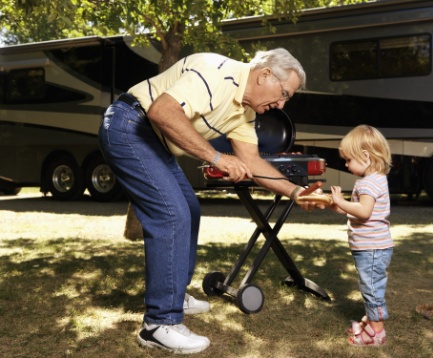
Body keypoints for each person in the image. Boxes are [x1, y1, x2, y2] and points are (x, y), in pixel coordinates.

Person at [98, 48, 318, 354]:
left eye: (287, 99)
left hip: (155, 139)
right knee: (172, 215)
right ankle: (159, 324)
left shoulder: (246, 111)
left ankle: (174, 294)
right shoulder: (217, 72)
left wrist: (296, 192)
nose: (282, 104)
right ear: (265, 74)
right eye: (283, 94)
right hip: (129, 125)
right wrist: (217, 157)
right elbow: (162, 111)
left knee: (189, 209)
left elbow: (252, 162)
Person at [328, 125, 393, 346]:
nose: (346, 164)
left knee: (372, 289)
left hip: (372, 248)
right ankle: (369, 320)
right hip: (369, 247)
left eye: (348, 160)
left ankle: (377, 333)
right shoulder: (372, 180)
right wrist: (339, 206)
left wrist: (341, 201)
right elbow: (359, 210)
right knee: (369, 286)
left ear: (365, 156)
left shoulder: (369, 183)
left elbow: (364, 212)